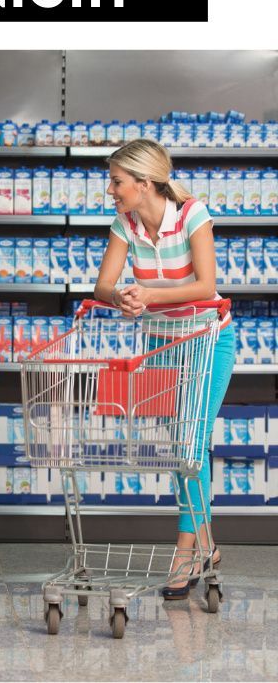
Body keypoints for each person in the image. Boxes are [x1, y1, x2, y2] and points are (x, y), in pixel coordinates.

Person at [93, 139, 235, 599]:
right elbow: (103, 285)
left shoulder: (192, 213)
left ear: (144, 182)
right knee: (182, 444)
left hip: (208, 339)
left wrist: (150, 295)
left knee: (190, 442)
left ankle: (184, 554)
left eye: (117, 181)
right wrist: (123, 298)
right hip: (161, 344)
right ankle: (208, 546)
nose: (111, 190)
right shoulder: (125, 224)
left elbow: (206, 284)